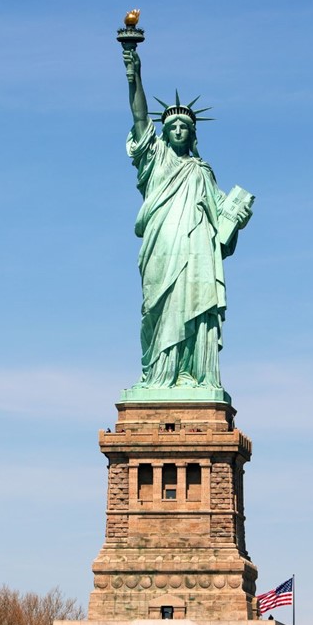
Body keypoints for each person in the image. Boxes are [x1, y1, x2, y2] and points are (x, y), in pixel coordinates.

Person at [122, 47, 252, 391]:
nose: (178, 130)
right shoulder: (156, 159)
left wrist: (238, 214)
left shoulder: (201, 170)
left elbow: (221, 215)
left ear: (193, 135)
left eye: (185, 127)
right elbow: (139, 119)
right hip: (162, 243)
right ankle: (157, 375)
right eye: (172, 126)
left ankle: (190, 374)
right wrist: (133, 73)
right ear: (164, 133)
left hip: (196, 252)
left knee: (193, 304)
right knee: (158, 307)